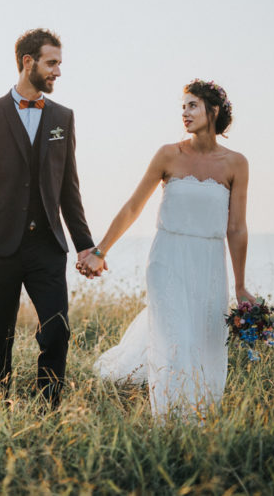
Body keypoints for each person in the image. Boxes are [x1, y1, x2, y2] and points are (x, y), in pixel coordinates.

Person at [79, 79, 253, 418]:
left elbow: (236, 227)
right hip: (167, 257)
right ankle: (170, 417)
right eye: (183, 106)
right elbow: (133, 206)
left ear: (213, 111)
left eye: (192, 106)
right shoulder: (168, 154)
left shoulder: (236, 164)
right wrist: (100, 251)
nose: (185, 113)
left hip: (208, 262)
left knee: (205, 342)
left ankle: (202, 412)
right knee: (176, 339)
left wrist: (242, 284)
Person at [0, 29, 100, 407]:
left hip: (47, 248)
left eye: (60, 64)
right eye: (52, 64)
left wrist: (86, 247)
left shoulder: (63, 118)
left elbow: (70, 189)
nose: (58, 72)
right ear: (28, 62)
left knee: (57, 332)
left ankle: (49, 408)